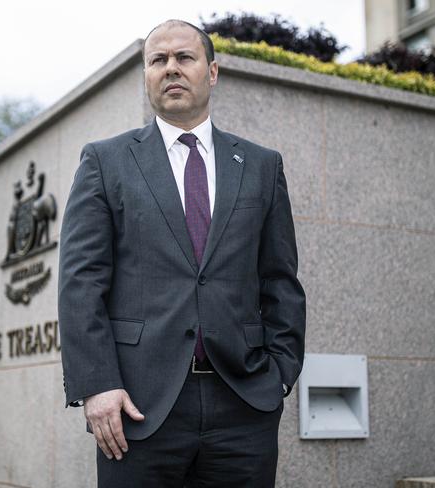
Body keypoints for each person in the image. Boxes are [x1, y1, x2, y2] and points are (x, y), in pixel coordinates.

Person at [58, 18, 306, 488]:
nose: (171, 68)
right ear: (147, 75)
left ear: (212, 73)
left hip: (244, 402)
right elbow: (81, 282)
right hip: (136, 406)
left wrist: (280, 376)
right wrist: (96, 384)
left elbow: (280, 279)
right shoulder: (105, 161)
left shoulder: (261, 165)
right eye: (158, 60)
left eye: (184, 58)